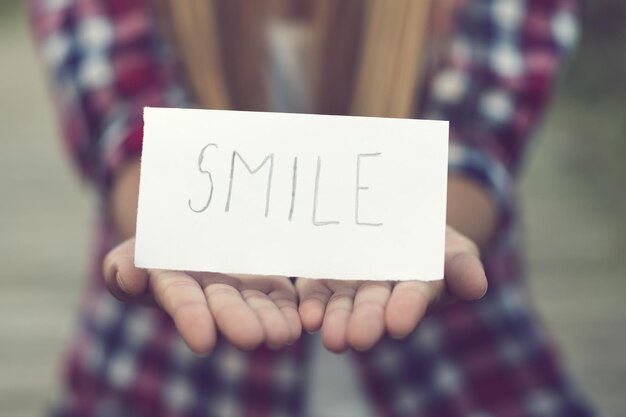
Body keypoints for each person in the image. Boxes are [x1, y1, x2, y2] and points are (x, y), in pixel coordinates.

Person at [29, 0, 597, 416]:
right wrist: (167, 232)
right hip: (166, 381)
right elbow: (129, 128)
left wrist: (430, 236)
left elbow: (476, 143)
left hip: (459, 373)